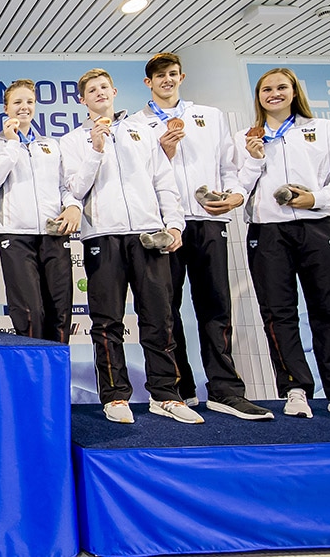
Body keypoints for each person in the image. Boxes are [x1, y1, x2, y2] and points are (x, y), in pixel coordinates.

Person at [125, 53, 274, 420]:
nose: (167, 80)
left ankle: (224, 390)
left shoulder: (210, 116)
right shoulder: (135, 125)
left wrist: (235, 195)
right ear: (148, 82)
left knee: (216, 307)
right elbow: (134, 177)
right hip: (162, 225)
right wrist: (165, 151)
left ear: (182, 77)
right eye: (160, 76)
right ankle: (179, 390)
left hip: (208, 221)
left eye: (173, 74)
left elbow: (229, 166)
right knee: (163, 311)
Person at [59, 68, 201, 425]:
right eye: (91, 90)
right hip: (102, 236)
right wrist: (95, 147)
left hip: (148, 235)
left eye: (104, 87)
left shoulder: (143, 131)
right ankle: (115, 395)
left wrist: (174, 223)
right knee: (107, 321)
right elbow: (74, 189)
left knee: (159, 317)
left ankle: (166, 394)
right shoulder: (73, 141)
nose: (99, 93)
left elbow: (162, 180)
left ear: (115, 91)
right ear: (82, 99)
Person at [238, 67, 330, 420]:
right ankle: (294, 389)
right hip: (267, 232)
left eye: (281, 87)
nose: (273, 93)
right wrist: (253, 157)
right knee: (278, 314)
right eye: (266, 89)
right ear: (258, 96)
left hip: (318, 226)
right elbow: (238, 187)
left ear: (294, 92)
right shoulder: (246, 136)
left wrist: (317, 198)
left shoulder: (322, 129)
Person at [0, 80, 79, 342]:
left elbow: (62, 187)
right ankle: (34, 378)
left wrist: (72, 206)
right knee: (29, 312)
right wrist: (12, 144)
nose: (24, 107)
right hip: (15, 235)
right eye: (18, 102)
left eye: (29, 102)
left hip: (53, 233)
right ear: (6, 108)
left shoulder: (50, 145)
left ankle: (57, 379)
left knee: (60, 311)